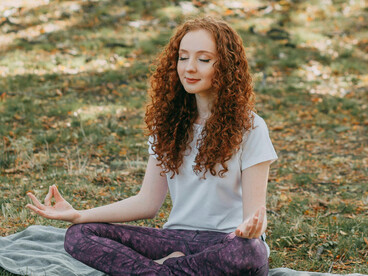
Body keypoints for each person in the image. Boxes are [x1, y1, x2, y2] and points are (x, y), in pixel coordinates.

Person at [26, 16, 278, 275]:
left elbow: (254, 216)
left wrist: (251, 228)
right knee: (80, 234)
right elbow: (147, 202)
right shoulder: (168, 124)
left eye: (203, 59)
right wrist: (78, 215)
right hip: (174, 239)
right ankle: (168, 270)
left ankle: (159, 270)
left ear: (226, 66)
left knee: (250, 251)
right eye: (183, 57)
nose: (189, 68)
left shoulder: (252, 128)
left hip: (226, 244)